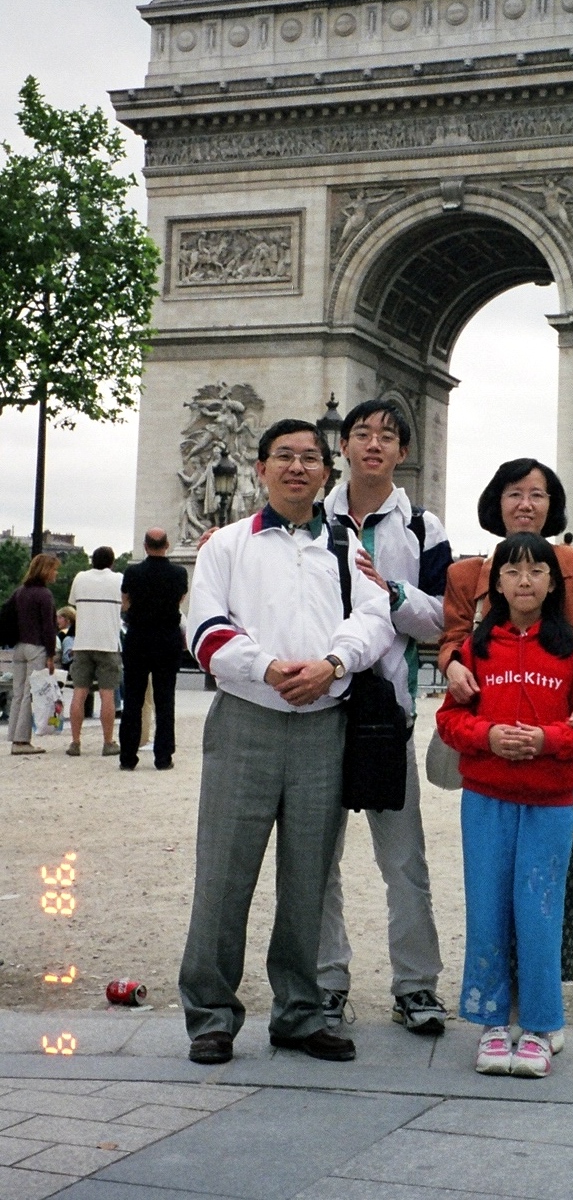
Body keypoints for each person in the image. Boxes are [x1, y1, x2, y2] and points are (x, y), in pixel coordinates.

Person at [179, 419, 394, 1066]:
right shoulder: (226, 544)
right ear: (261, 468)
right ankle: (211, 1015)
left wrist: (334, 663)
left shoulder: (347, 544)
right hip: (246, 718)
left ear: (327, 471)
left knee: (309, 879)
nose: (297, 467)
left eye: (310, 457)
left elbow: (374, 616)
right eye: (284, 456)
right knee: (223, 875)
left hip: (324, 722)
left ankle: (300, 1012)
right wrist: (267, 668)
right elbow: (204, 628)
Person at [438, 458, 573, 981]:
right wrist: (453, 665)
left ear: (551, 505)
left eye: (537, 494)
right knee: (493, 877)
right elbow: (453, 638)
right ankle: (499, 990)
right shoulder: (464, 574)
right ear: (496, 503)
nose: (525, 504)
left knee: (553, 877)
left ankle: (542, 989)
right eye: (514, 493)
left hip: (561, 735)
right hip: (489, 741)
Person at [436, 533, 573, 1077]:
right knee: (486, 909)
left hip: (550, 802)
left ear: (554, 583)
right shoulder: (475, 651)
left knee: (540, 914)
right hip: (486, 798)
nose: (525, 580)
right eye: (512, 571)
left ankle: (538, 1026)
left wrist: (548, 740)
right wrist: (487, 736)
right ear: (496, 585)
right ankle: (491, 1022)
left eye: (537, 570)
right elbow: (448, 719)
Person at [316, 399, 453, 1036]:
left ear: (403, 451)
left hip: (387, 710)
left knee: (404, 862)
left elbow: (445, 620)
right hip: (317, 705)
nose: (374, 444)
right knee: (316, 862)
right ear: (343, 444)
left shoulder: (424, 527)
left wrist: (390, 591)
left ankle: (416, 984)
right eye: (362, 433)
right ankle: (324, 982)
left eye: (388, 436)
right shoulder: (306, 519)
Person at [118, 529, 189, 772]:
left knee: (133, 700)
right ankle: (163, 756)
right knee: (165, 700)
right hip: (167, 638)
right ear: (167, 545)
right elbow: (179, 600)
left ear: (145, 546)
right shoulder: (179, 573)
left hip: (138, 637)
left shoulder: (132, 572)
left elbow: (125, 602)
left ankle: (128, 756)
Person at [67, 547, 123, 757]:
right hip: (108, 642)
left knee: (79, 693)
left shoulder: (80, 578)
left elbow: (72, 603)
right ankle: (108, 742)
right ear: (112, 562)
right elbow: (126, 604)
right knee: (107, 695)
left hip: (83, 642)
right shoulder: (118, 579)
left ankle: (75, 742)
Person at [7, 553, 59, 756]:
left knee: (18, 694)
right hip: (36, 646)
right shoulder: (44, 595)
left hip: (19, 646)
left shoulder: (20, 592)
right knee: (31, 694)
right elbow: (48, 627)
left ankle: (14, 736)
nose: (55, 573)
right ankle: (22, 740)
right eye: (54, 569)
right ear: (45, 571)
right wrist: (51, 654)